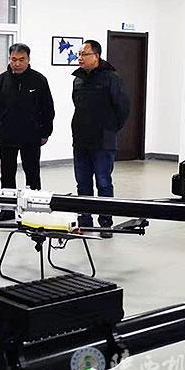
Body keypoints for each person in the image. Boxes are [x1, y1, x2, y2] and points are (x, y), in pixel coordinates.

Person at [0, 43, 55, 222]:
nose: (17, 63)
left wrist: (45, 132)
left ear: (28, 59)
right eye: (14, 59)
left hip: (31, 137)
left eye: (21, 59)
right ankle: (7, 209)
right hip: (6, 136)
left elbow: (48, 108)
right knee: (7, 175)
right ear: (9, 59)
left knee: (32, 173)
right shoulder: (0, 81)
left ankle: (35, 209)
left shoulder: (39, 80)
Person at [71, 40, 130, 234]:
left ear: (96, 56)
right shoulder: (78, 79)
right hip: (81, 139)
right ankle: (85, 221)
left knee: (103, 183)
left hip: (103, 140)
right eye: (79, 54)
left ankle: (106, 223)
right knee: (82, 183)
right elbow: (77, 104)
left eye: (84, 54)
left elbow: (123, 108)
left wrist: (110, 128)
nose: (80, 58)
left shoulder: (111, 78)